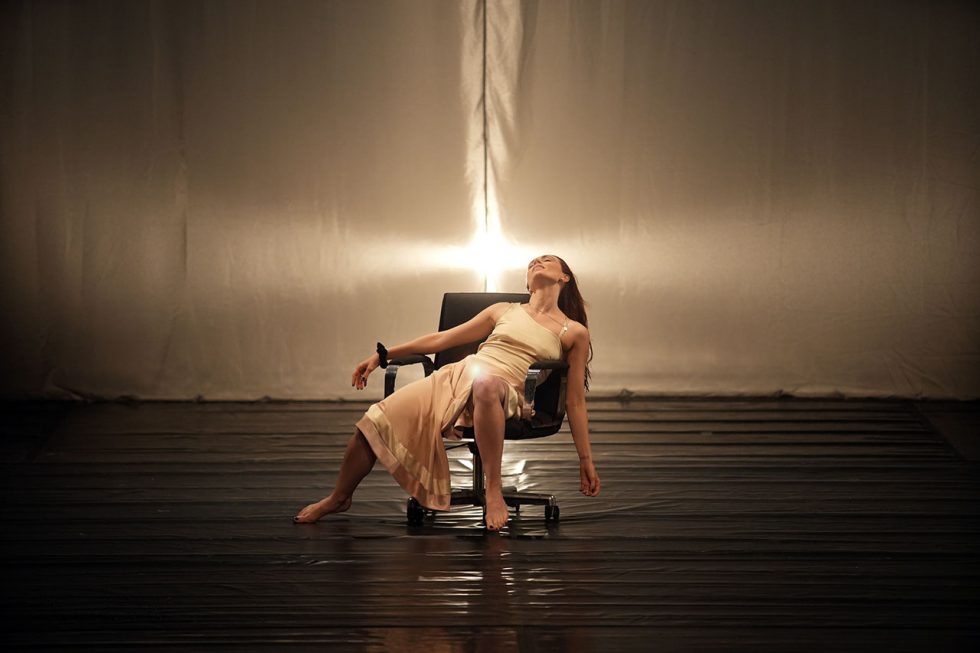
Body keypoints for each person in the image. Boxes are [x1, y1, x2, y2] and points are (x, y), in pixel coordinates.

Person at [293, 254, 601, 531]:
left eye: (547, 260)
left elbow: (574, 401)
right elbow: (442, 340)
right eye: (533, 262)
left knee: (485, 384)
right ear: (527, 283)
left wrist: (585, 459)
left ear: (564, 277)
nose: (537, 262)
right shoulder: (504, 310)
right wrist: (383, 355)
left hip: (507, 391)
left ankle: (494, 491)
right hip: (458, 376)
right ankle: (339, 497)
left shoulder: (573, 331)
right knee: (372, 422)